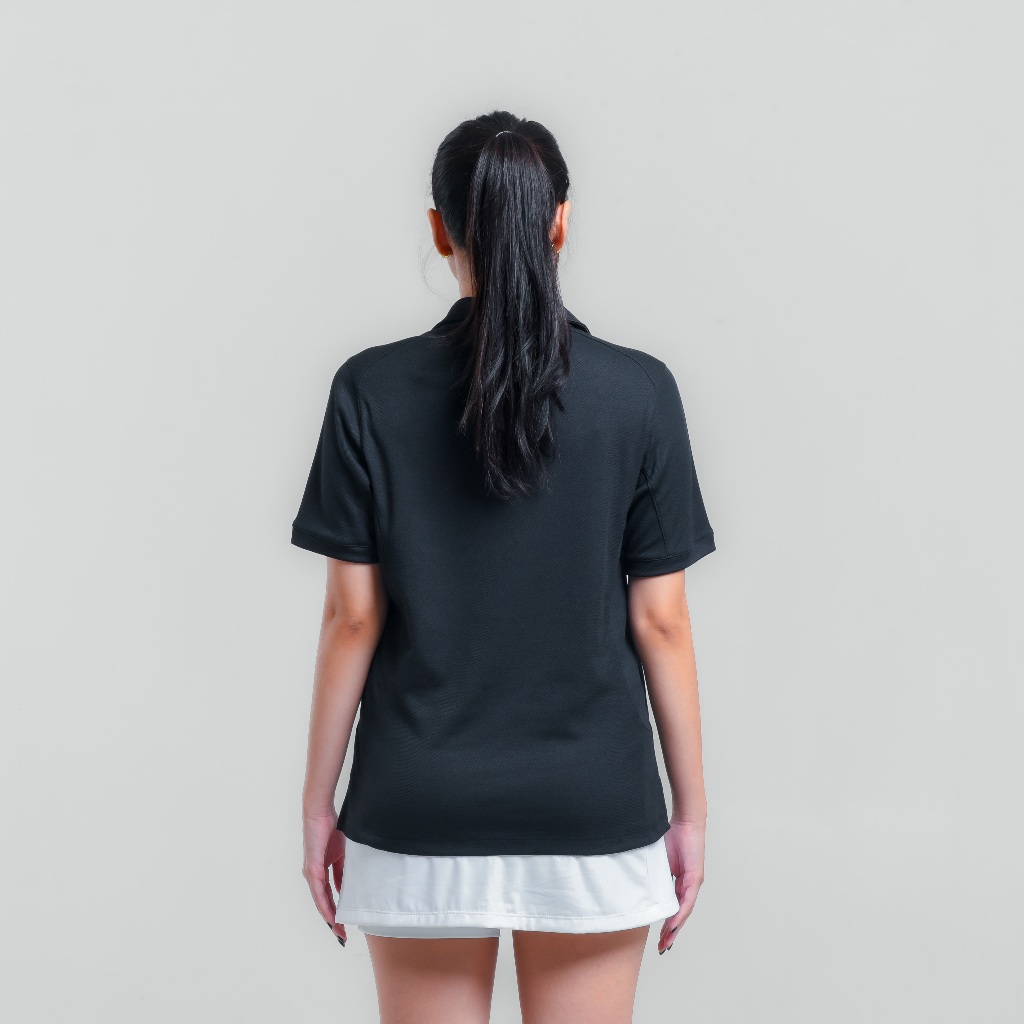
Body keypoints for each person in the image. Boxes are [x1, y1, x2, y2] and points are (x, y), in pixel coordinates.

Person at [291, 110, 717, 1024]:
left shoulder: (368, 389)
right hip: (593, 804)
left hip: (418, 803)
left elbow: (352, 619)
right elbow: (661, 621)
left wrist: (319, 804)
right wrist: (690, 813)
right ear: (560, 220)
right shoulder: (640, 392)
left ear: (440, 227)